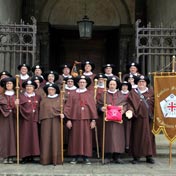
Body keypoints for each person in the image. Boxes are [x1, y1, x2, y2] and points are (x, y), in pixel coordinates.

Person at [64, 75, 98, 164]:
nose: (82, 83)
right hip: (75, 120)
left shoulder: (90, 94)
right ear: (78, 83)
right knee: (74, 138)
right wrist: (68, 119)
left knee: (86, 138)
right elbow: (68, 106)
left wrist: (93, 120)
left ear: (86, 84)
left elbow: (93, 107)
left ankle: (85, 156)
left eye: (84, 82)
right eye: (80, 82)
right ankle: (74, 156)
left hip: (86, 120)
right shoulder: (72, 94)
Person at [126, 75, 156, 164]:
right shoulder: (133, 93)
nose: (141, 83)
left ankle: (149, 156)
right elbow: (129, 104)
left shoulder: (151, 92)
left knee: (149, 137)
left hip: (149, 120)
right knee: (137, 137)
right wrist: (130, 111)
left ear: (146, 83)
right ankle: (136, 156)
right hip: (137, 119)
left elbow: (156, 105)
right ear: (137, 83)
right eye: (139, 82)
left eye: (143, 82)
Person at [97, 77, 126, 164]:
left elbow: (126, 104)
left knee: (118, 137)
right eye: (110, 84)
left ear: (117, 85)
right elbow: (98, 104)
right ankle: (107, 156)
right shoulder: (104, 95)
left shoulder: (121, 95)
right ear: (108, 85)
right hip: (107, 121)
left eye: (114, 84)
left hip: (118, 121)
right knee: (107, 137)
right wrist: (101, 108)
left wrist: (124, 110)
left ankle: (117, 156)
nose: (112, 86)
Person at [39, 83, 64, 165]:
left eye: (53, 89)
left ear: (55, 90)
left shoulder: (60, 99)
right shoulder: (44, 100)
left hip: (57, 121)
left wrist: (62, 114)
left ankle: (56, 159)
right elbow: (41, 111)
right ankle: (45, 160)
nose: (51, 91)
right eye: (49, 89)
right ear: (47, 90)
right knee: (45, 140)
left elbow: (64, 109)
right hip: (46, 122)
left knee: (56, 139)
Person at [17, 80, 41, 163]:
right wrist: (17, 105)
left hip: (34, 121)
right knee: (25, 138)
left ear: (34, 88)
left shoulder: (38, 97)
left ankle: (33, 155)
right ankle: (24, 156)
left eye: (30, 87)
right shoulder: (20, 96)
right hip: (25, 121)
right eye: (27, 87)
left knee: (34, 138)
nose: (29, 88)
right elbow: (18, 109)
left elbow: (40, 108)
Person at [0, 77, 16, 164]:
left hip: (14, 119)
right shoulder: (1, 96)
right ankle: (5, 156)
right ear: (5, 86)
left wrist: (17, 106)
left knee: (13, 137)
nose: (9, 85)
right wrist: (5, 110)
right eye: (7, 84)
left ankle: (12, 156)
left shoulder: (16, 96)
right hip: (4, 119)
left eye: (10, 84)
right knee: (5, 136)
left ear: (13, 85)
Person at [119, 81, 132, 153]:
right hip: (119, 115)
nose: (124, 87)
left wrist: (126, 109)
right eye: (123, 86)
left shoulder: (131, 94)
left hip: (127, 116)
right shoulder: (118, 94)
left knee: (128, 131)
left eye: (126, 86)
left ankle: (127, 146)